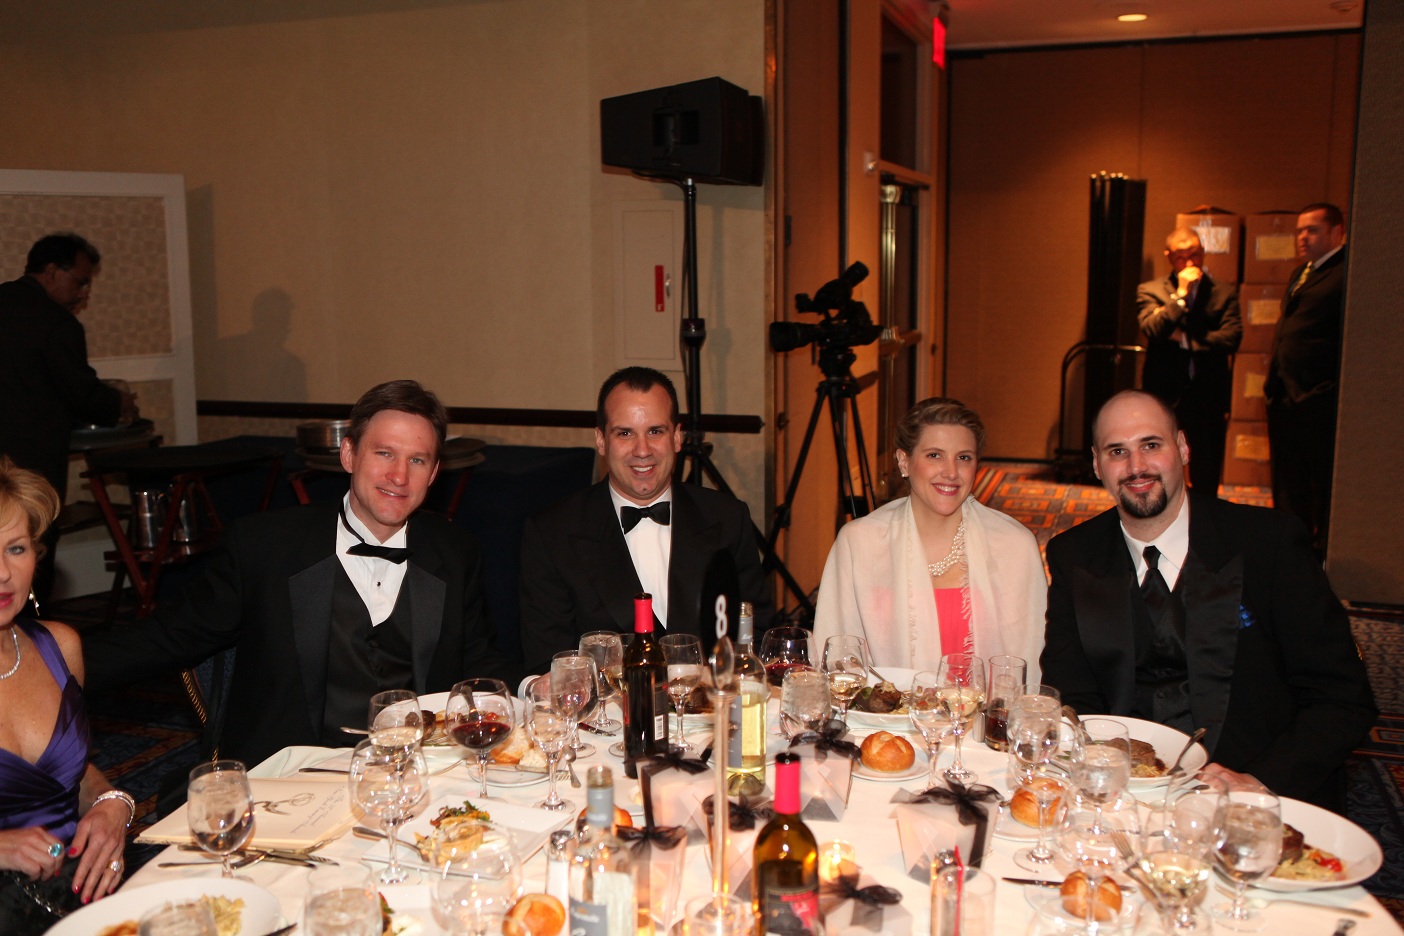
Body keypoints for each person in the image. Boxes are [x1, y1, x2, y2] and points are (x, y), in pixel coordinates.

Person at [83, 380, 512, 766]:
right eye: (384, 453)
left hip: (417, 770)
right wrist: (56, 662)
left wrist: (529, 690)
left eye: (417, 460)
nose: (399, 476)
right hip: (291, 776)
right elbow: (169, 636)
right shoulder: (265, 547)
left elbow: (478, 659)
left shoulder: (455, 552)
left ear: (434, 473)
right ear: (349, 454)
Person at [1040, 390, 1375, 812]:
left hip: (1252, 789)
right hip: (1125, 794)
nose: (1136, 466)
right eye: (1117, 451)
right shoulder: (1074, 554)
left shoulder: (1268, 544)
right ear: (1096, 463)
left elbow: (1343, 699)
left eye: (1151, 445)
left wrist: (1259, 780)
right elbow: (1071, 693)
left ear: (1182, 447)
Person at [518, 367, 772, 673]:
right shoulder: (551, 533)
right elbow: (550, 663)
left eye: (655, 431)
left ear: (677, 437)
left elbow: (755, 634)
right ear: (601, 440)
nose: (642, 450)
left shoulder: (728, 518)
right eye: (625, 433)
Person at [813, 398, 1047, 674]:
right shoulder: (859, 543)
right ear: (904, 461)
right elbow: (837, 659)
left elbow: (1031, 661)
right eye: (935, 455)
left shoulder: (1013, 545)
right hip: (884, 702)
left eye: (964, 458)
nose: (951, 472)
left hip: (985, 702)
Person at [0, 460, 134, 933]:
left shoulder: (59, 646)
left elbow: (65, 773)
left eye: (16, 548)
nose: (3, 573)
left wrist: (111, 802)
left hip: (77, 881)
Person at [0, 234, 139, 606]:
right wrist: (121, 402)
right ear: (51, 272)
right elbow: (83, 395)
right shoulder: (57, 323)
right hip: (30, 464)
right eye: (80, 281)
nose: (84, 293)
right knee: (30, 545)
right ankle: (31, 632)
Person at [1264, 203, 1347, 555]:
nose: (1302, 237)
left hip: (1316, 395)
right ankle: (1289, 549)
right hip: (1284, 392)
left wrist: (1325, 389)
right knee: (1287, 478)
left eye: (1312, 230)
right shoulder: (1301, 273)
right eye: (1299, 230)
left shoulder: (1346, 272)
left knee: (1318, 481)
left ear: (1336, 232)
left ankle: (1320, 554)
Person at [1136, 228, 1242, 497]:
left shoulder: (1223, 292)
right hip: (1164, 394)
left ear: (1203, 252)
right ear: (1169, 257)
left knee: (1206, 470)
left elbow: (1231, 338)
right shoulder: (1151, 290)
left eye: (1194, 254)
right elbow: (1153, 329)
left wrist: (1186, 340)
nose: (1189, 262)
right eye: (1181, 256)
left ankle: (1204, 519)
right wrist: (1181, 295)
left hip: (1208, 394)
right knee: (1160, 470)